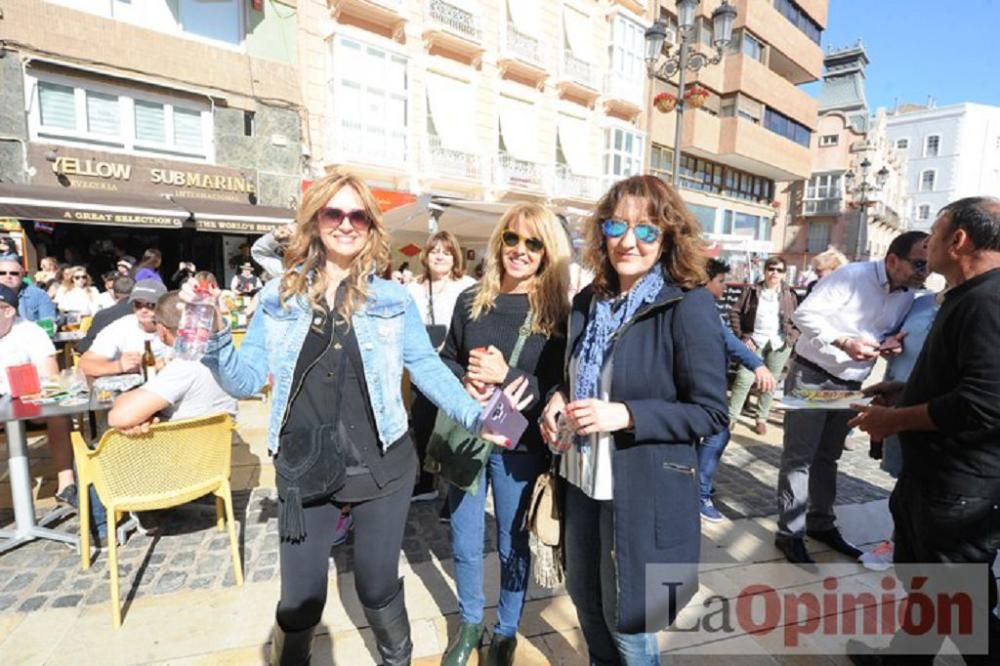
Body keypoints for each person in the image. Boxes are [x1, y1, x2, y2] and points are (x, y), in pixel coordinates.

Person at [192, 173, 527, 666]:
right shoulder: (277, 299)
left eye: (358, 215)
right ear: (315, 222)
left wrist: (478, 417)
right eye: (334, 213)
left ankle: (398, 660)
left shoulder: (391, 299)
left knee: (375, 585)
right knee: (299, 601)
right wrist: (218, 339)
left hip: (383, 465)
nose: (346, 224)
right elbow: (244, 381)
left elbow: (429, 367)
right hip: (303, 466)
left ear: (371, 227)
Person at [541, 175, 728, 664]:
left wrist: (623, 415)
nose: (629, 241)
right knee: (586, 603)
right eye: (617, 226)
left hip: (641, 488)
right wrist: (557, 398)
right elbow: (578, 375)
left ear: (668, 236)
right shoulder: (589, 303)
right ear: (601, 232)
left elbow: (709, 412)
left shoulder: (687, 304)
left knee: (630, 623)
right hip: (581, 479)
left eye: (646, 230)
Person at [848, 197, 1000, 665]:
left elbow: (985, 402)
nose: (926, 245)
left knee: (961, 603)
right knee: (928, 587)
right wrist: (907, 391)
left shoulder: (988, 302)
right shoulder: (965, 296)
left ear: (958, 241)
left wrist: (894, 421)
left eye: (934, 235)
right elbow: (960, 377)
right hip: (932, 476)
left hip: (959, 486)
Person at [438, 204, 570, 666]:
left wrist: (505, 372)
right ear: (499, 243)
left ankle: (507, 629)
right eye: (511, 239)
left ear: (547, 252)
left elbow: (557, 387)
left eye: (533, 243)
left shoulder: (556, 314)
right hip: (471, 432)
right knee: (464, 535)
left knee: (514, 541)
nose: (519, 250)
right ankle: (471, 621)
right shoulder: (471, 299)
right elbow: (448, 358)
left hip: (520, 444)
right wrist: (463, 380)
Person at [774, 230, 929, 565]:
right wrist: (844, 342)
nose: (924, 272)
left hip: (851, 383)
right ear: (892, 260)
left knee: (828, 457)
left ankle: (820, 524)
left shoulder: (908, 294)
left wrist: (888, 345)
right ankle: (790, 533)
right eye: (918, 263)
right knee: (800, 458)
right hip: (813, 376)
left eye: (927, 265)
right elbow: (803, 315)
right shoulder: (852, 276)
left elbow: (878, 333)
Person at [698, 259, 777, 522]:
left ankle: (700, 486)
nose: (723, 287)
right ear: (705, 280)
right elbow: (728, 339)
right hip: (702, 385)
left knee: (715, 436)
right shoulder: (698, 305)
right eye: (720, 281)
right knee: (717, 435)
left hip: (707, 383)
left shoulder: (701, 304)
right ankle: (699, 493)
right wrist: (757, 365)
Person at [403, 231, 477, 503]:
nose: (440, 256)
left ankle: (452, 492)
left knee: (453, 429)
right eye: (435, 251)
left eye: (446, 252)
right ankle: (426, 482)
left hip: (455, 369)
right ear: (425, 255)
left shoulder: (468, 287)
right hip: (422, 370)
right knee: (423, 427)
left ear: (455, 257)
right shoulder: (413, 288)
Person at [0, 285, 77, 507]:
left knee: (58, 416)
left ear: (9, 311)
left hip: (28, 401)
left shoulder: (30, 332)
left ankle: (66, 483)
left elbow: (50, 375)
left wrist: (31, 389)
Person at [727, 255, 800, 435]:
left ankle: (761, 417)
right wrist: (743, 337)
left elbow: (799, 320)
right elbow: (734, 312)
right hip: (754, 341)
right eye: (771, 269)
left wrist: (792, 337)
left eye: (779, 270)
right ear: (765, 271)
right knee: (744, 378)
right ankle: (731, 417)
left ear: (784, 274)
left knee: (770, 382)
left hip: (779, 343)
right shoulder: (752, 291)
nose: (774, 273)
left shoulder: (789, 294)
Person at [78, 280, 169, 380]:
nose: (143, 310)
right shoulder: (121, 327)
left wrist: (159, 364)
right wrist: (119, 366)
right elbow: (84, 365)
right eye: (138, 304)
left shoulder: (174, 325)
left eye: (151, 305)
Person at [76, 276, 136, 355]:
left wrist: (77, 345)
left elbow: (88, 344)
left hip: (112, 361)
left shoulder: (104, 315)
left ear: (114, 293)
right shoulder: (148, 312)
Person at [0, 255, 57, 323]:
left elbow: (48, 323)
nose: (8, 276)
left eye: (14, 273)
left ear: (22, 275)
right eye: (2, 273)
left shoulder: (39, 295)